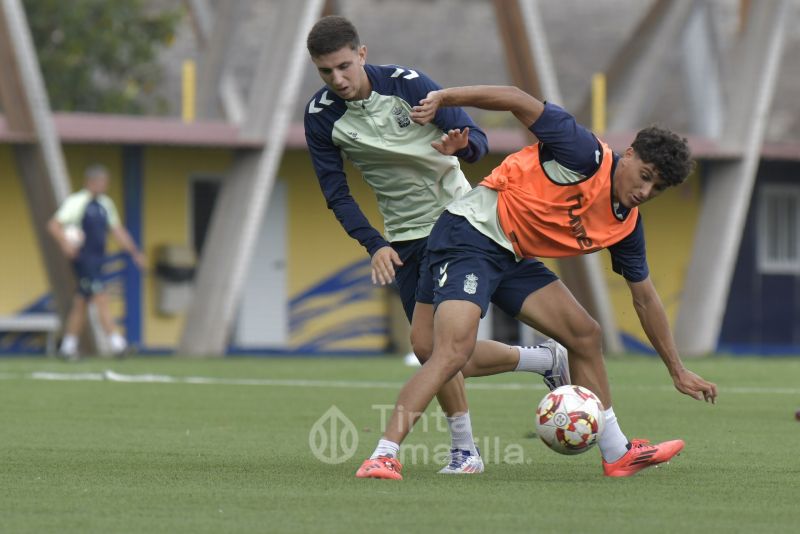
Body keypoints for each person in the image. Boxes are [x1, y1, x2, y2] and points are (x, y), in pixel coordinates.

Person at [355, 85, 718, 480]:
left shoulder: (627, 226)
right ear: (628, 154)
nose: (645, 191)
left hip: (513, 254)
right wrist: (445, 98)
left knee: (583, 334)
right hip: (470, 236)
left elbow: (645, 300)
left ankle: (617, 452)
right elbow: (515, 98)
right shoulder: (583, 152)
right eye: (645, 176)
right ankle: (384, 455)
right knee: (446, 353)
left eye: (657, 188)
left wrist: (677, 370)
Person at [304, 16, 570, 475]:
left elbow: (478, 141)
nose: (338, 79)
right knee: (430, 350)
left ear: (362, 54)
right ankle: (541, 360)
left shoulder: (409, 86)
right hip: (405, 238)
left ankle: (463, 452)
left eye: (344, 66)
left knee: (442, 348)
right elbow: (336, 193)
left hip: (461, 224)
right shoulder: (322, 116)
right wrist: (375, 245)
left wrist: (458, 148)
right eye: (326, 71)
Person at [48, 164, 146, 360]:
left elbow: (117, 230)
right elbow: (54, 225)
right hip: (84, 260)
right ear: (90, 182)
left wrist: (135, 252)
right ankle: (118, 345)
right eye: (101, 182)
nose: (103, 186)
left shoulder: (105, 204)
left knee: (81, 303)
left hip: (99, 259)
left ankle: (67, 348)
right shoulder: (77, 201)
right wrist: (66, 244)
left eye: (105, 182)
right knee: (101, 297)